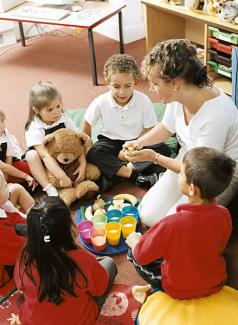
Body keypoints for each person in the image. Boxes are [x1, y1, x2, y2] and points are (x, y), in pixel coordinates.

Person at [124, 39, 238, 226]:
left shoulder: (217, 114)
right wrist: (139, 142)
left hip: (216, 173)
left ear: (175, 83)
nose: (152, 89)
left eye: (155, 83)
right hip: (189, 156)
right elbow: (167, 127)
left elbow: (200, 172)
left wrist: (155, 158)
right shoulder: (179, 95)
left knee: (172, 227)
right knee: (148, 216)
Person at [126, 147, 235, 299]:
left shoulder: (170, 224)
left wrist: (135, 242)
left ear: (191, 189)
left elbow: (141, 256)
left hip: (180, 287)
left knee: (133, 252)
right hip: (216, 280)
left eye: (181, 172)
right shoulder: (224, 213)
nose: (178, 173)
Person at [14, 196, 118, 325]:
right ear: (67, 229)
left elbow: (21, 287)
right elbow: (101, 288)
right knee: (109, 263)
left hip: (34, 321)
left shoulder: (23, 260)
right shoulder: (82, 260)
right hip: (81, 320)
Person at [82, 54, 171, 192]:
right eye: (116, 86)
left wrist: (133, 148)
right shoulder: (101, 101)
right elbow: (87, 123)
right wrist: (86, 143)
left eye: (127, 86)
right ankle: (132, 174)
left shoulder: (143, 101)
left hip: (137, 141)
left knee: (163, 149)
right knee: (93, 153)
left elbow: (150, 129)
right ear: (107, 83)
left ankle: (120, 172)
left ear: (135, 82)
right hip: (109, 141)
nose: (122, 92)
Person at [25, 81, 92, 197]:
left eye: (58, 106)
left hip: (68, 156)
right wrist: (62, 177)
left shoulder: (63, 117)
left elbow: (79, 141)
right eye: (50, 110)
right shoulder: (34, 127)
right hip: (49, 163)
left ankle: (85, 173)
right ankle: (49, 188)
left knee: (87, 139)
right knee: (31, 155)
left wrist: (83, 164)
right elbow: (44, 155)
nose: (56, 112)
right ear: (36, 110)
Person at [0, 170, 33, 288]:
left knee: (24, 227)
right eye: (5, 186)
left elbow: (16, 218)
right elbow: (17, 250)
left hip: (8, 247)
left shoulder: (3, 207)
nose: (9, 186)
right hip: (4, 272)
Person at [0, 110, 37, 190]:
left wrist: (6, 178)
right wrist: (25, 176)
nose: (1, 125)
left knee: (31, 168)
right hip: (2, 168)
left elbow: (9, 157)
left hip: (8, 167)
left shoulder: (5, 132)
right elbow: (3, 167)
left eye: (2, 121)